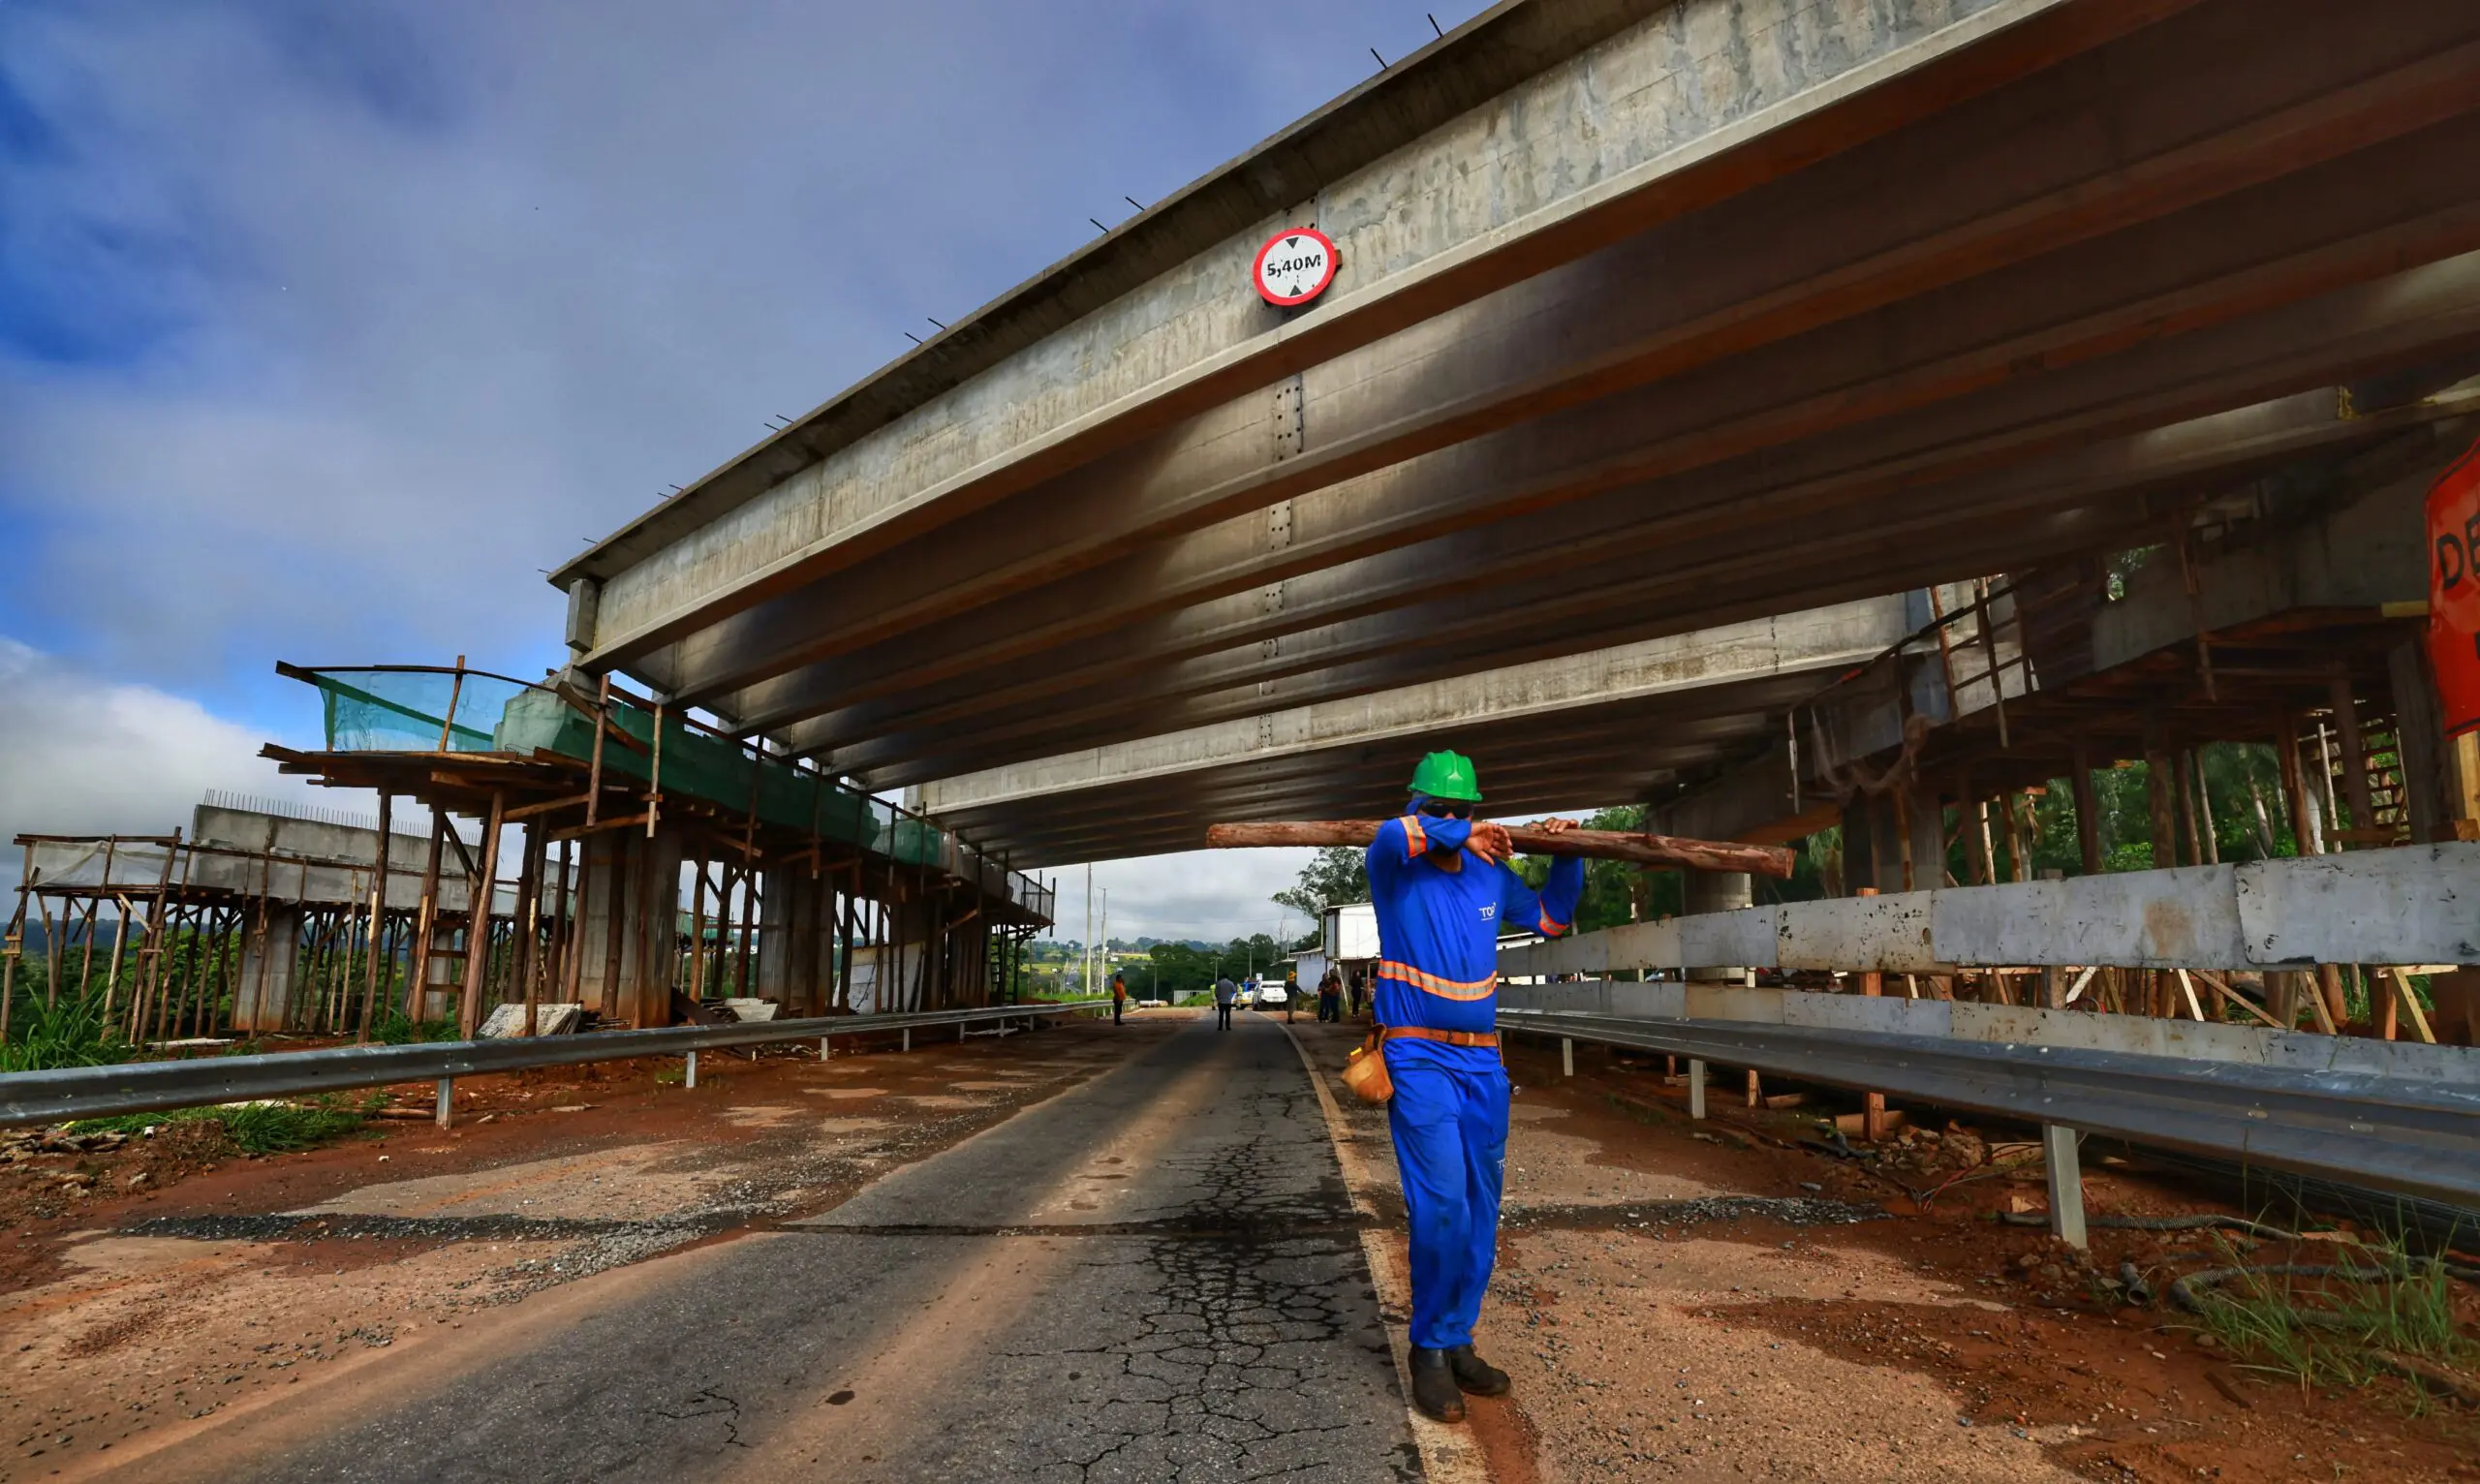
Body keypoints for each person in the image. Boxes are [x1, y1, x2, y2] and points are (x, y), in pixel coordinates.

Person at [1364, 749, 1581, 1425]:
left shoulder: (1492, 874)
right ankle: (1428, 1350)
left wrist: (1568, 855)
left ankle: (1456, 1338)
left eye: (1464, 810)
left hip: (1483, 1064)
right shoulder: (1396, 867)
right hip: (1417, 1058)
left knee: (1482, 1213)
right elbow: (1387, 835)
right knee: (1442, 1208)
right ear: (1417, 807)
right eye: (1440, 810)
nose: (1454, 819)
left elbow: (1551, 919)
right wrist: (1457, 833)